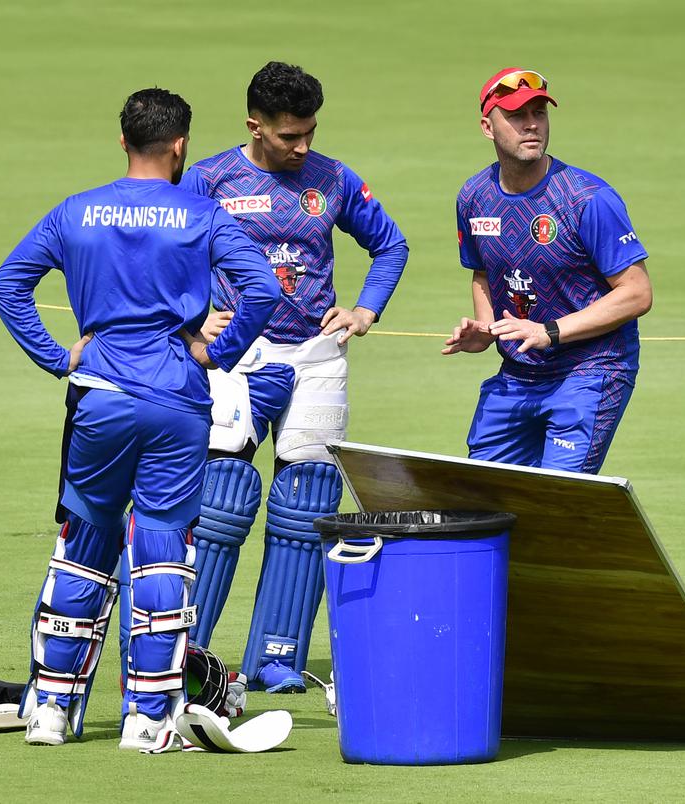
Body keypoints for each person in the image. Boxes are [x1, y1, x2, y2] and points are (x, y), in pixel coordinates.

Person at [0, 88, 280, 748]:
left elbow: (8, 285)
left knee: (83, 545)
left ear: (124, 141)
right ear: (180, 145)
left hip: (98, 399)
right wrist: (216, 351)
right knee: (159, 550)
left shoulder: (77, 211)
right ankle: (149, 722)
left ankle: (53, 714)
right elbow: (261, 289)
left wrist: (58, 356)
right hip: (175, 399)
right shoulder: (204, 215)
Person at [178, 61, 409, 693]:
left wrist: (366, 310)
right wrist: (196, 316)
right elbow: (165, 256)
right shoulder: (208, 179)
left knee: (307, 504)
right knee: (222, 497)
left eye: (309, 132)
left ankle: (276, 658)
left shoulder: (332, 178)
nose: (302, 146)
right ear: (254, 125)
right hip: (235, 357)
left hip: (315, 354)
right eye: (288, 136)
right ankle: (183, 652)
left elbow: (391, 245)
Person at [443, 67, 652, 473]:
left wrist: (548, 332)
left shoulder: (587, 199)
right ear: (488, 126)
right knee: (485, 492)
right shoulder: (474, 197)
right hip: (518, 374)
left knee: (557, 497)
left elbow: (637, 293)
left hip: (590, 369)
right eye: (517, 116)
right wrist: (486, 331)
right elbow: (484, 274)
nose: (532, 125)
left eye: (539, 113)